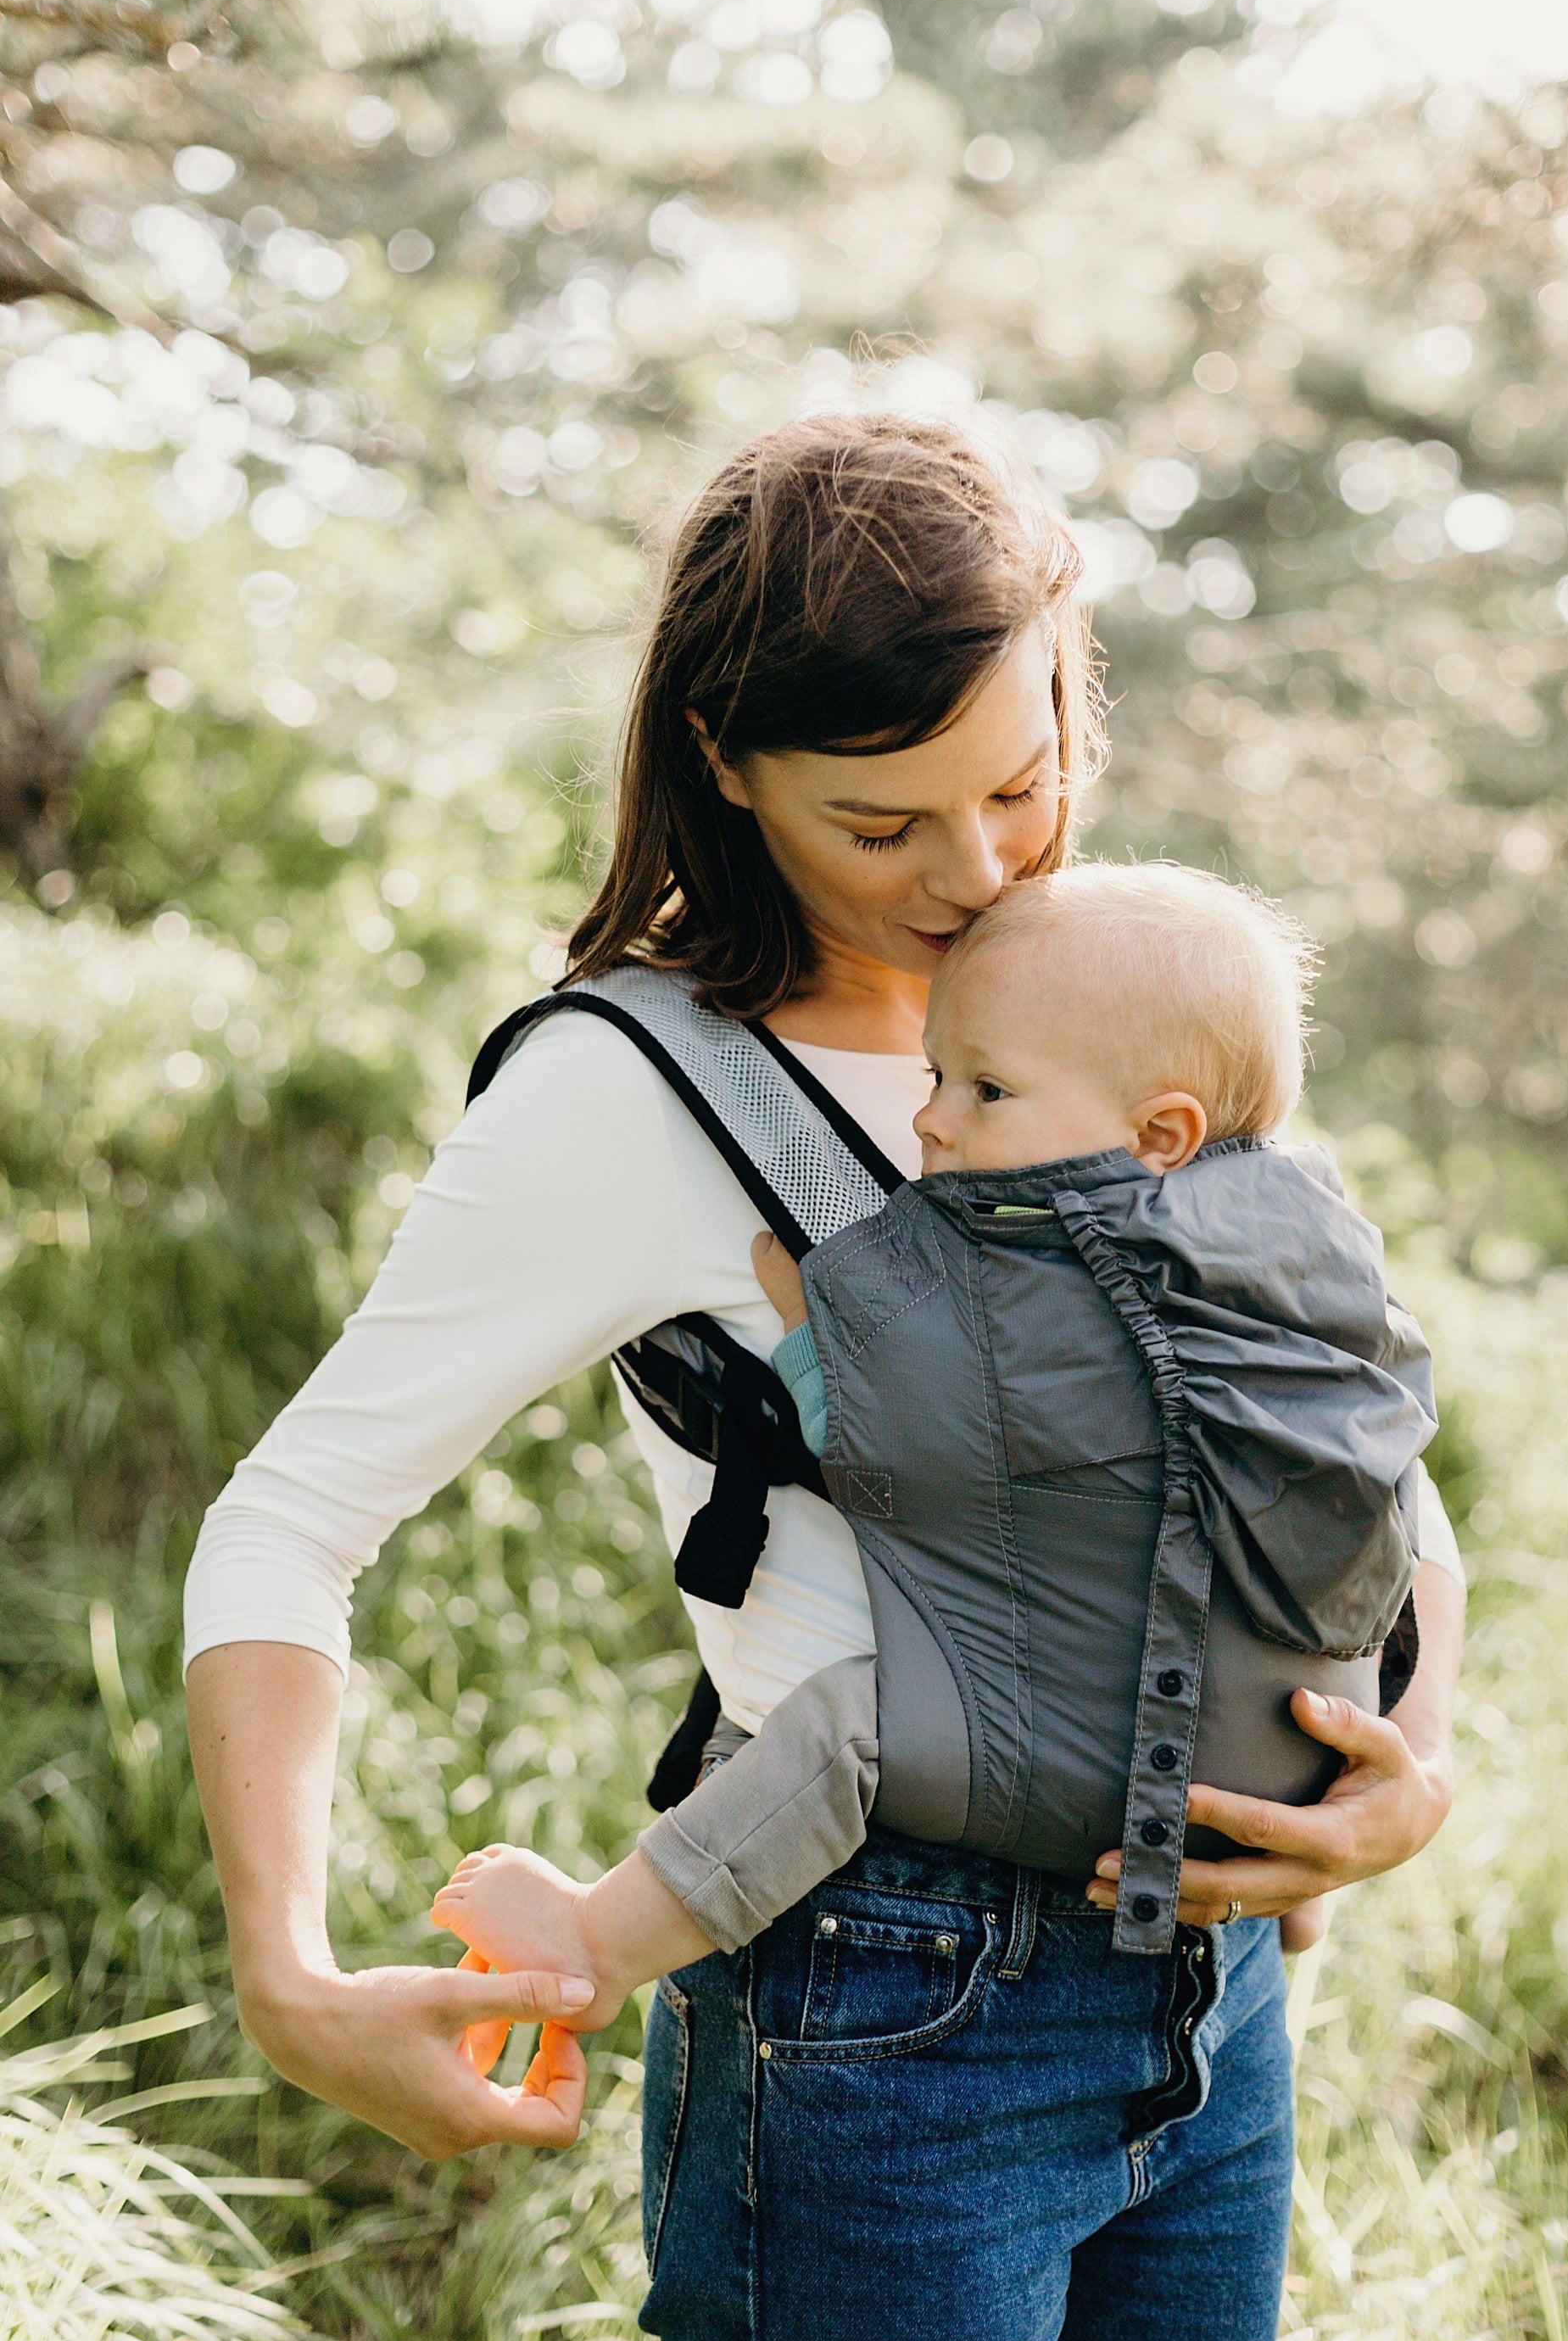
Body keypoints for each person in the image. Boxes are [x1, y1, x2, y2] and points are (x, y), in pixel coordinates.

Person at [184, 411, 1465, 2341]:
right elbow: (289, 1521)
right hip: (874, 2010)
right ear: (723, 758)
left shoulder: (1134, 999)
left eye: (1025, 788)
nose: (975, 879)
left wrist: (1412, 1771)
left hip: (1208, 2008)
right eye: (883, 825)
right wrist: (288, 1969)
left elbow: (1319, 1432)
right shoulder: (626, 1090)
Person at [427, 858, 1437, 2023]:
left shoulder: (1012, 1279)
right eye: (936, 1073)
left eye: (987, 1092)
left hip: (1090, 1785)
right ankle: (1285, 1888)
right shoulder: (1318, 1242)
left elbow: (893, 1449)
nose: (932, 1118)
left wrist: (819, 1331)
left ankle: (594, 1944)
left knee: (856, 1721)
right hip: (1309, 1748)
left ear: (1162, 1130)